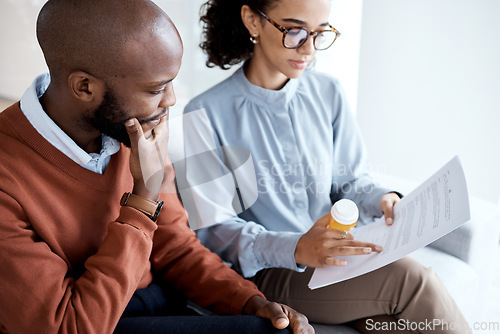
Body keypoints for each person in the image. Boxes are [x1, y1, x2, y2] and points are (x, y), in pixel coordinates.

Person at [0, 0, 314, 333]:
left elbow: (176, 247)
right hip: (93, 319)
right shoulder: (9, 175)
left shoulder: (129, 129)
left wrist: (250, 301)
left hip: (158, 301)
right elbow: (67, 326)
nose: (170, 100)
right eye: (156, 89)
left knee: (275, 326)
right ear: (84, 87)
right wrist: (143, 197)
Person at [181, 0, 471, 333]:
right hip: (272, 269)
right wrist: (296, 248)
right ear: (252, 20)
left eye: (320, 33)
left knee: (398, 325)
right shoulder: (203, 114)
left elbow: (352, 180)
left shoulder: (328, 91)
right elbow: (212, 231)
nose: (309, 49)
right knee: (414, 280)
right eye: (294, 30)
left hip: (337, 253)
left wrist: (382, 199)